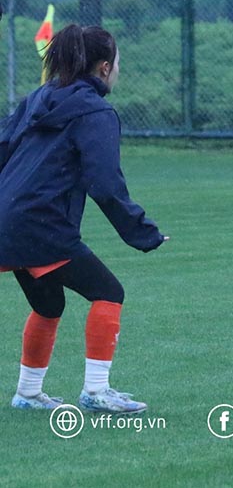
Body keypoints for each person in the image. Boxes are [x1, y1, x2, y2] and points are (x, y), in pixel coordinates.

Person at [0, 24, 167, 414]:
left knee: (48, 305)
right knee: (109, 292)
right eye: (118, 62)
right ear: (104, 67)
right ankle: (96, 391)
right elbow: (105, 184)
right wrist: (142, 232)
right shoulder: (96, 112)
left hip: (9, 218)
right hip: (40, 224)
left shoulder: (40, 97)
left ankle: (27, 393)